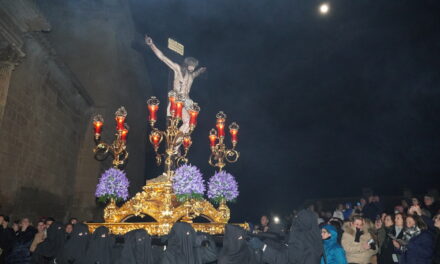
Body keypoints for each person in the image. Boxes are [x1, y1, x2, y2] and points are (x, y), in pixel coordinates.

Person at [251, 209, 323, 264]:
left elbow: (284, 259)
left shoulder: (300, 242)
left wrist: (263, 247)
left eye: (297, 220)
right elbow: (283, 246)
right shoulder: (314, 239)